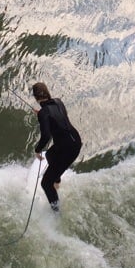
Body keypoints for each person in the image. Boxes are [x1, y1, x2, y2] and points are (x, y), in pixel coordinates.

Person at [32, 82, 82, 212]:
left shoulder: (44, 113)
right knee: (50, 154)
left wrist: (37, 150)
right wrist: (42, 115)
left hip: (68, 149)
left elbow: (46, 136)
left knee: (45, 184)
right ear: (48, 92)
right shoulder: (58, 101)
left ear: (35, 98)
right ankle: (57, 181)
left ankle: (56, 212)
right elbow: (56, 116)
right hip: (75, 139)